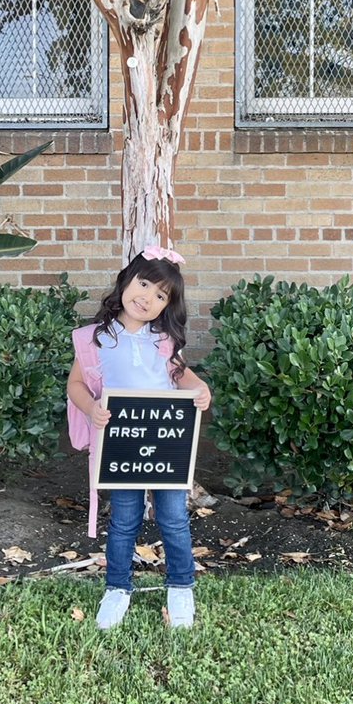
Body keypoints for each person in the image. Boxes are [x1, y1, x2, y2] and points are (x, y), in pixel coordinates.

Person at [66, 246, 212, 630]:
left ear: (167, 306)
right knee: (125, 520)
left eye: (161, 295)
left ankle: (181, 586)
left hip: (164, 444)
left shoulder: (162, 341)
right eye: (144, 284)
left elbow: (182, 375)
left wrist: (200, 389)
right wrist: (90, 408)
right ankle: (117, 588)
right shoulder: (93, 339)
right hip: (121, 446)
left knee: (174, 518)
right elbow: (76, 385)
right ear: (126, 282)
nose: (148, 297)